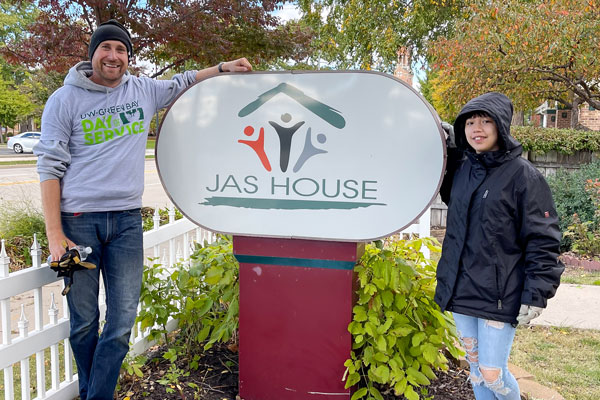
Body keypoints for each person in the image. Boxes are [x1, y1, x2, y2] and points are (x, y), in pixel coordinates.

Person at [34, 19, 252, 400]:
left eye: (121, 50)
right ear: (92, 54)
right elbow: (49, 168)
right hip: (78, 224)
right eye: (106, 48)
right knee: (84, 323)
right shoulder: (63, 100)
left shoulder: (143, 90)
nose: (114, 56)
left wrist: (222, 69)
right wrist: (55, 234)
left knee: (121, 323)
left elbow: (183, 80)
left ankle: (93, 395)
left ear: (129, 57)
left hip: (126, 223)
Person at [434, 92, 564, 400]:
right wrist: (449, 146)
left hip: (500, 293)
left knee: (493, 373)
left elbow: (542, 238)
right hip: (462, 286)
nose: (477, 128)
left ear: (501, 126)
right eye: (470, 122)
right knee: (477, 370)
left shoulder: (523, 176)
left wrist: (536, 293)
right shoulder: (463, 169)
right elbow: (452, 193)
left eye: (486, 121)